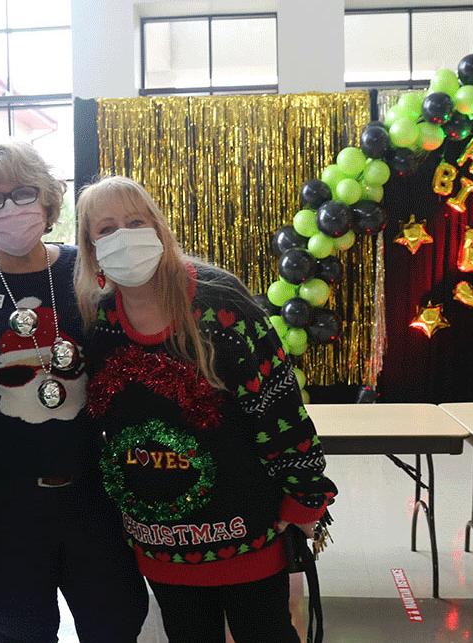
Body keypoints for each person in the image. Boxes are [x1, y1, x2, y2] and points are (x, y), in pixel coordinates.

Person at [74, 176, 337, 643]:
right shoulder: (101, 323)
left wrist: (304, 494)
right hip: (159, 542)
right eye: (106, 228)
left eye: (135, 222)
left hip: (248, 530)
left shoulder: (222, 305)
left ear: (158, 228)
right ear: (90, 248)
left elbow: (278, 406)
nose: (124, 237)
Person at [0, 144, 148, 641]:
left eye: (23, 192)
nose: (10, 207)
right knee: (22, 630)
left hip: (91, 493)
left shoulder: (88, 269)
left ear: (50, 201)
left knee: (117, 618)